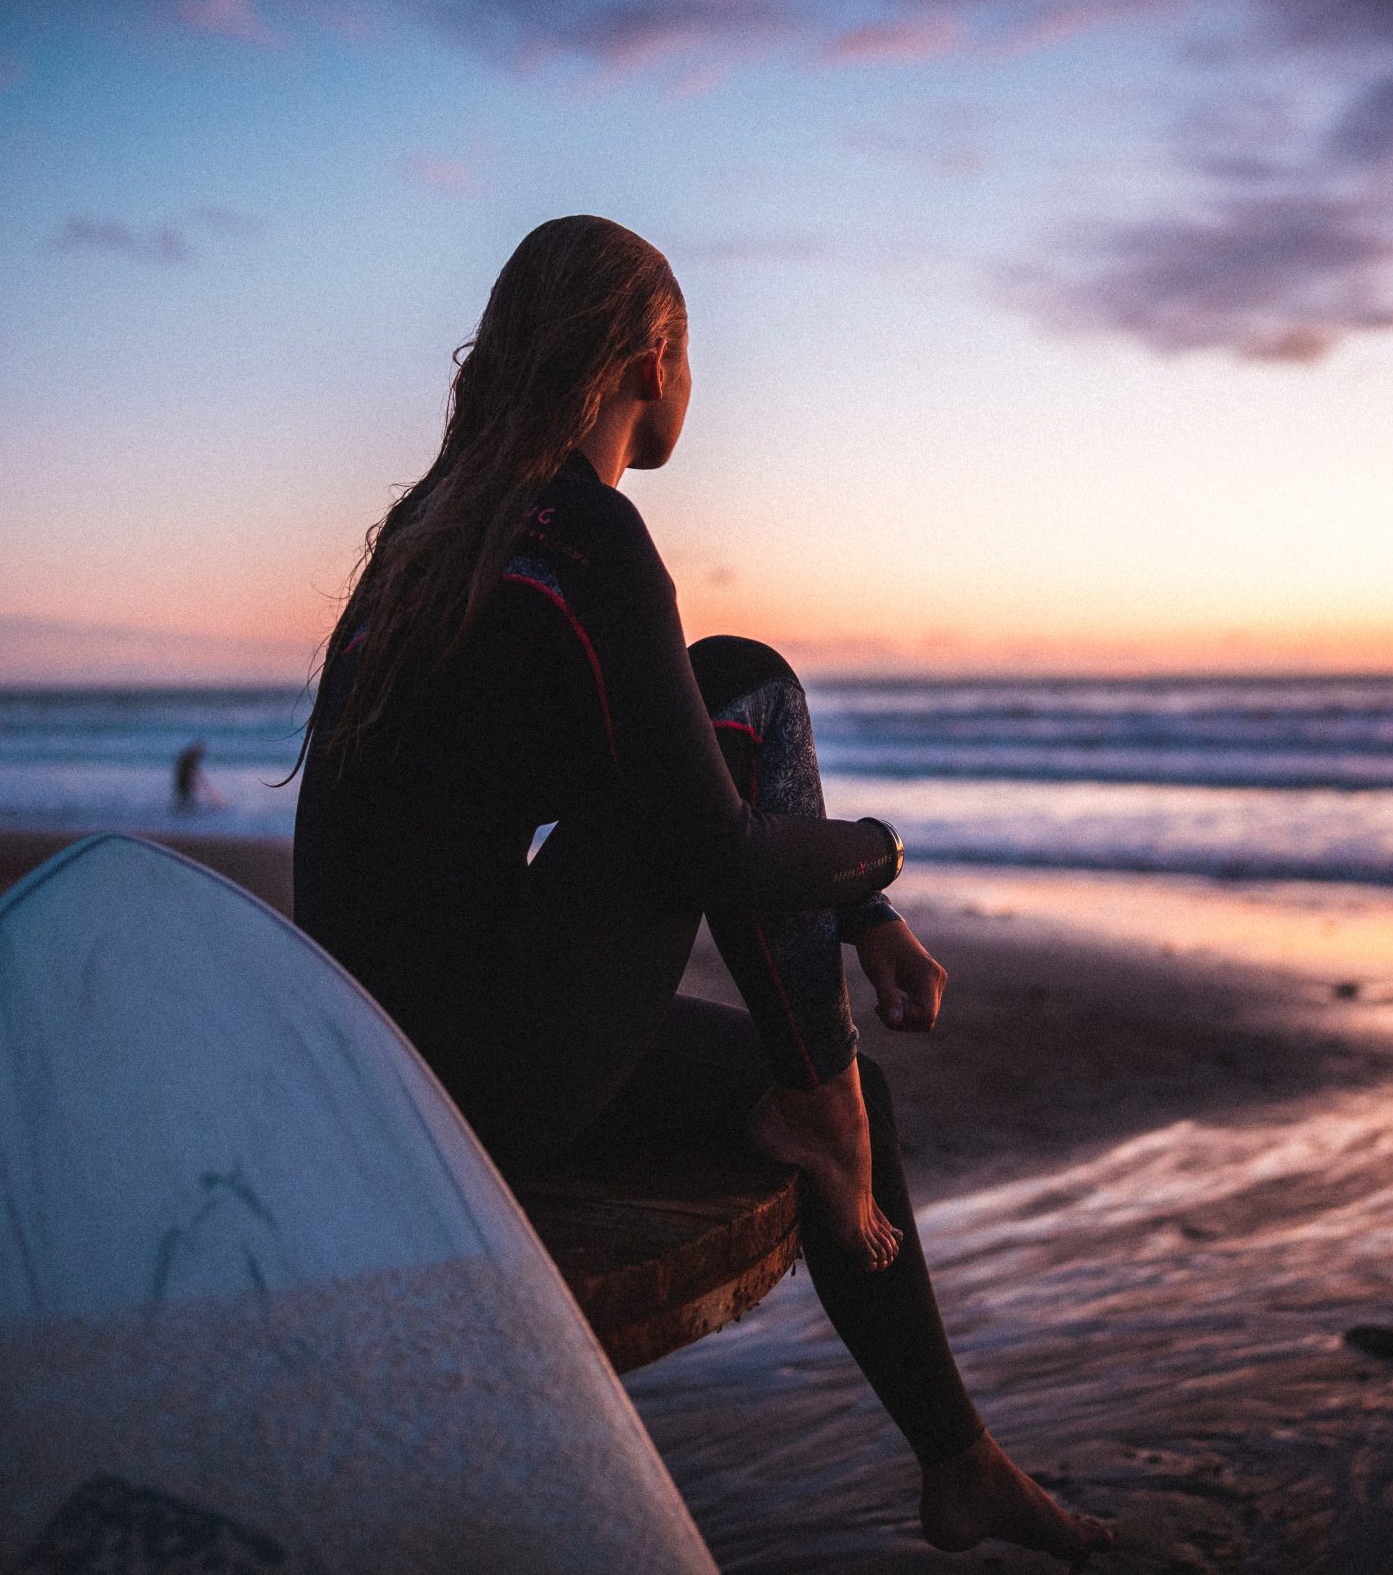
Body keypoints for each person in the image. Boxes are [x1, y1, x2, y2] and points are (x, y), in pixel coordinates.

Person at [292, 216, 1112, 1564]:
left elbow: (651, 783)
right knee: (753, 683)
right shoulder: (589, 538)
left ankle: (960, 1462)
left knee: (842, 1054)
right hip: (486, 1079)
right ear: (654, 354)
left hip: (381, 1058)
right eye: (692, 353)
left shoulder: (433, 539)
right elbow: (715, 843)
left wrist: (854, 915)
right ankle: (819, 1104)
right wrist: (882, 850)